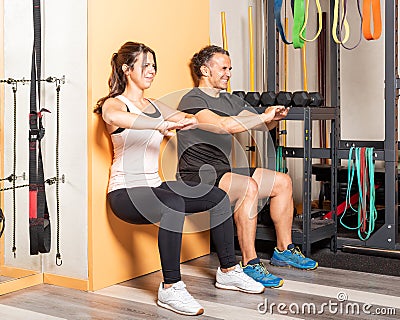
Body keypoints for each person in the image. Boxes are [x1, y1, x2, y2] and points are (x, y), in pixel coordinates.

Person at [94, 42, 265, 317]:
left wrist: (210, 120)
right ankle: (170, 287)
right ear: (127, 69)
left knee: (218, 197)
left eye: (153, 65)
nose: (151, 71)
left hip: (155, 187)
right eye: (145, 65)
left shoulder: (154, 105)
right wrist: (159, 124)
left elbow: (188, 118)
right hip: (125, 193)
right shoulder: (115, 103)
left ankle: (229, 270)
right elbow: (116, 117)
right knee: (173, 203)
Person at [176, 45, 318, 289]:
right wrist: (262, 117)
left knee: (282, 182)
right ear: (204, 70)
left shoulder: (230, 100)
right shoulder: (192, 99)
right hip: (196, 176)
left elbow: (261, 126)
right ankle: (250, 262)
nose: (228, 73)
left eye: (230, 68)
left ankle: (284, 250)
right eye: (223, 68)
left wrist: (273, 117)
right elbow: (222, 126)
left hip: (224, 172)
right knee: (248, 187)